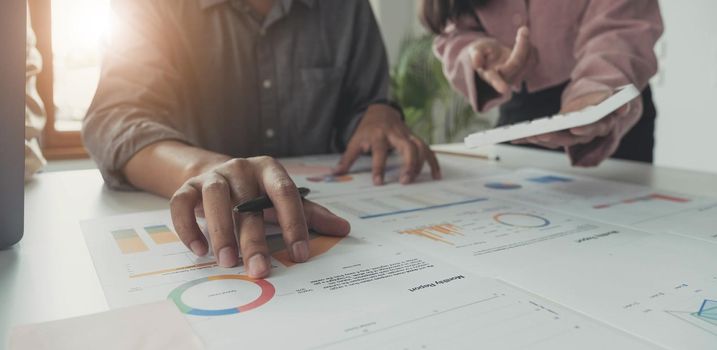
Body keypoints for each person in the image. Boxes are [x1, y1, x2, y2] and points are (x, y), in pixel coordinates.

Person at [83, 0, 441, 278]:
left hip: (345, 216)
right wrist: (206, 169)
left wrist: (378, 113)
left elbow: (362, 107)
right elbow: (116, 118)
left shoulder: (347, 6)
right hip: (205, 232)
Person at [423, 0, 663, 166]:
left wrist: (597, 86)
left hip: (606, 103)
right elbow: (452, 29)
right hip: (520, 116)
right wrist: (475, 51)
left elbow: (620, 25)